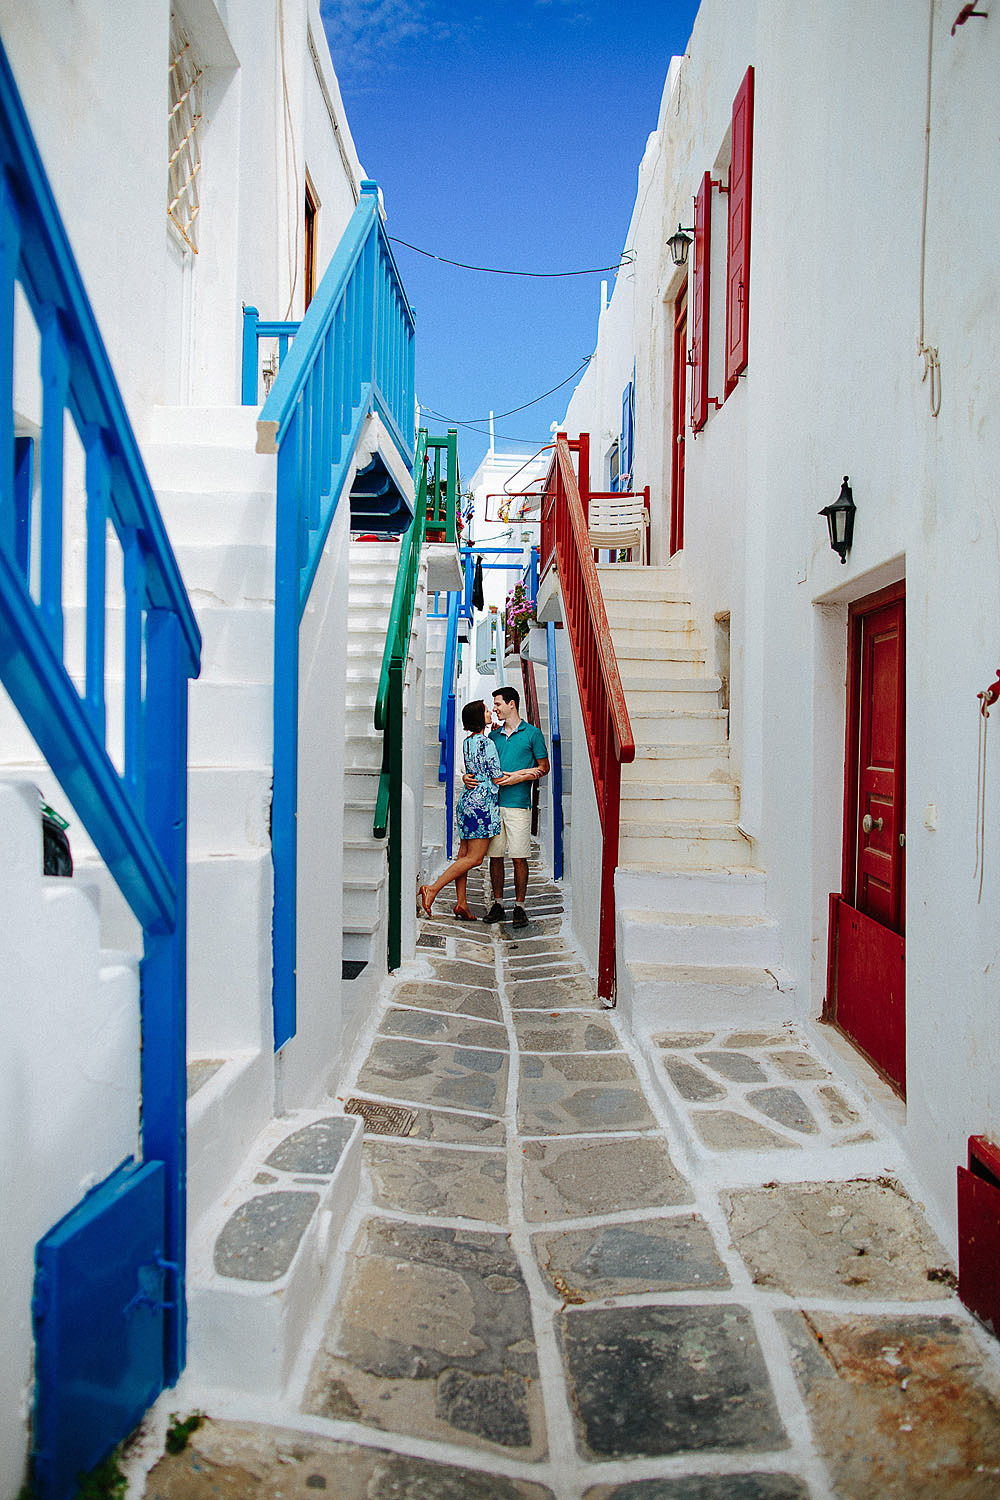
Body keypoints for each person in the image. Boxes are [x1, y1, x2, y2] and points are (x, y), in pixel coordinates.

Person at [468, 685, 548, 928]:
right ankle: (498, 903)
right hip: (493, 805)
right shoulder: (492, 737)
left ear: (512, 704)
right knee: (495, 856)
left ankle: (520, 906)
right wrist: (464, 777)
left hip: (519, 804)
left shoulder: (532, 734)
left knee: (519, 856)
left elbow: (543, 767)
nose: (495, 709)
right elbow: (479, 766)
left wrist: (520, 776)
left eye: (498, 704)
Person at [419, 700, 503, 919]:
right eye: (486, 711)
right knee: (474, 859)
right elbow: (496, 775)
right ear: (478, 717)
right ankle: (433, 889)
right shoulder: (488, 744)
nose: (489, 713)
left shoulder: (468, 742)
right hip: (481, 804)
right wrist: (526, 773)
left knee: (463, 855)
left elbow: (476, 768)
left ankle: (462, 903)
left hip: (467, 801)